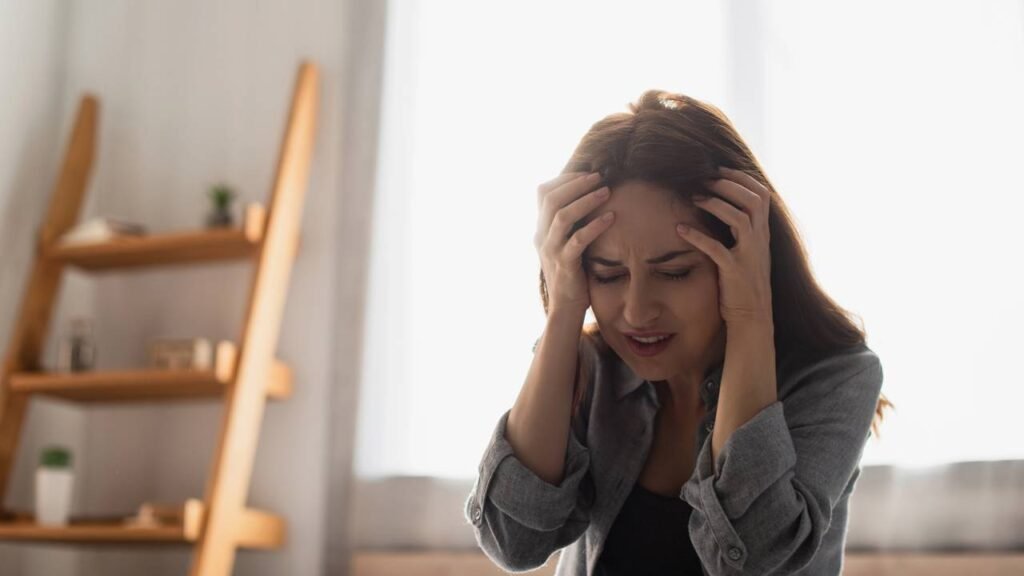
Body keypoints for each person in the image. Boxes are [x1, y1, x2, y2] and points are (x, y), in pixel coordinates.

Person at [464, 90, 892, 575]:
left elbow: (752, 558)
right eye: (607, 274)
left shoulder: (837, 378)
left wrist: (751, 313)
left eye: (674, 272)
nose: (637, 311)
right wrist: (562, 310)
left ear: (743, 259)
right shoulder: (591, 366)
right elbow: (513, 540)